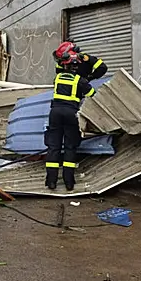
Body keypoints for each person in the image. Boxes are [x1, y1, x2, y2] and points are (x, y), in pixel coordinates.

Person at [45, 43, 96, 191]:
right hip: (71, 114)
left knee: (53, 147)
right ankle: (69, 183)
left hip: (55, 113)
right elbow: (92, 94)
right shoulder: (80, 81)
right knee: (70, 147)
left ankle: (51, 182)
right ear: (76, 65)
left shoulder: (58, 78)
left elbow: (59, 67)